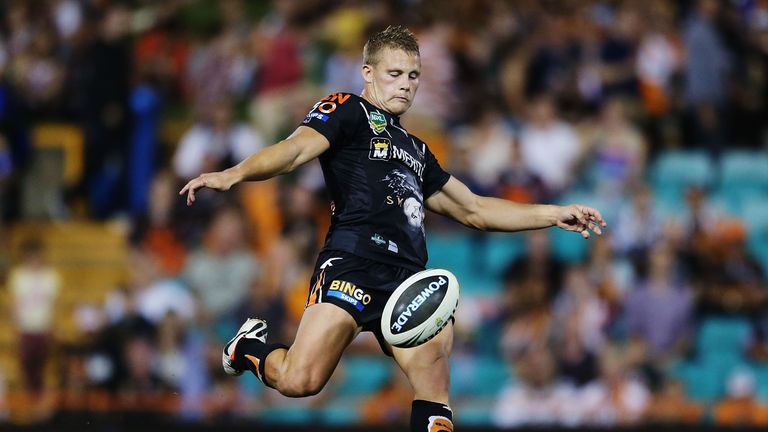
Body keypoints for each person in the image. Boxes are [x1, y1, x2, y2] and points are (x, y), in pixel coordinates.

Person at [180, 25, 606, 432]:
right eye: (395, 73)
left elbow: (474, 210)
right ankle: (247, 348)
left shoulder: (419, 150)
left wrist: (552, 213)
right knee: (300, 381)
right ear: (368, 73)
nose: (406, 84)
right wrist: (235, 173)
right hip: (352, 263)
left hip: (408, 283)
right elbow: (294, 152)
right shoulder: (347, 110)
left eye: (414, 76)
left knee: (435, 389)